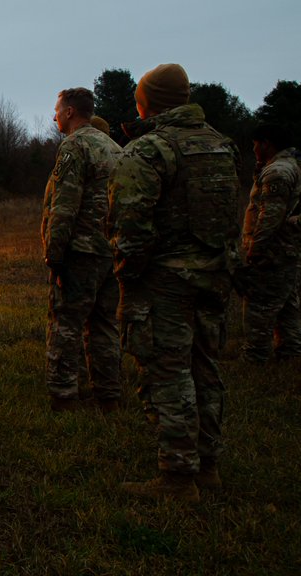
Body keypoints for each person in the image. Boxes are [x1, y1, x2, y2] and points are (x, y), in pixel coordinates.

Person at [108, 63, 241, 501]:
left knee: (168, 372)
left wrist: (130, 275)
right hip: (215, 274)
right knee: (205, 367)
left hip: (164, 281)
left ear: (145, 103)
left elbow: (131, 228)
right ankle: (208, 466)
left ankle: (177, 478)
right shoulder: (220, 145)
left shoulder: (149, 150)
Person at [41, 88, 123, 413]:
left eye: (57, 110)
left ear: (71, 112)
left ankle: (63, 398)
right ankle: (109, 397)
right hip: (111, 252)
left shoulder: (74, 146)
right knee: (104, 324)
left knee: (66, 323)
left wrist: (54, 254)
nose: (55, 116)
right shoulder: (115, 148)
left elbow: (64, 206)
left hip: (80, 252)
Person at [238, 123, 301, 363]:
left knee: (259, 304)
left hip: (273, 252)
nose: (253, 149)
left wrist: (257, 249)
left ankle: (255, 355)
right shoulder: (288, 166)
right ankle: (290, 350)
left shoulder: (278, 172)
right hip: (287, 249)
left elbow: (270, 217)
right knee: (286, 303)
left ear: (266, 143)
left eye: (255, 144)